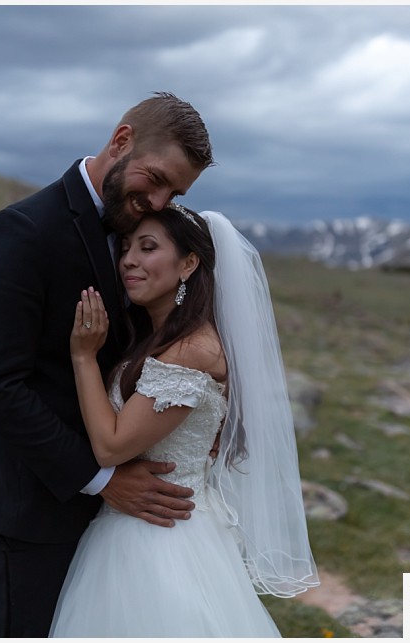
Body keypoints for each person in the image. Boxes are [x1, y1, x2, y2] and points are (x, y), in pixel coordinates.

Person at [0, 92, 215, 638]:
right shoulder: (24, 231)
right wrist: (100, 480)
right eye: (156, 178)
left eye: (176, 192)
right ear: (121, 141)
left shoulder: (142, 233)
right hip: (35, 507)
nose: (159, 200)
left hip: (124, 524)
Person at [50, 205, 319, 637]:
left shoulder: (191, 349)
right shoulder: (165, 339)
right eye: (125, 248)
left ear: (189, 263)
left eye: (148, 247)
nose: (128, 261)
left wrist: (83, 357)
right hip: (143, 526)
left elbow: (111, 447)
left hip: (160, 540)